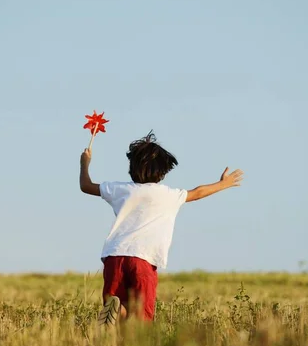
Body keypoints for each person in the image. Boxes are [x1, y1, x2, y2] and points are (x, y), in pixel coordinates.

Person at [79, 131, 243, 325]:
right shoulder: (170, 195)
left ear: (132, 168)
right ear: (163, 171)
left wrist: (85, 163)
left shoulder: (120, 189)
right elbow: (198, 192)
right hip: (144, 260)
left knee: (119, 305)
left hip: (114, 256)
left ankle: (118, 310)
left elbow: (86, 186)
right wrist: (223, 184)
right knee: (141, 319)